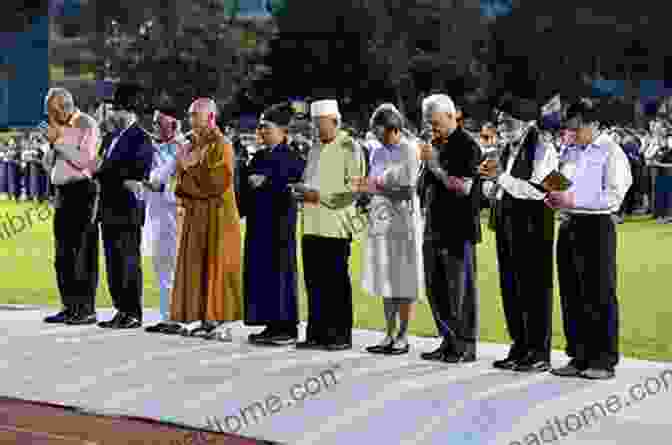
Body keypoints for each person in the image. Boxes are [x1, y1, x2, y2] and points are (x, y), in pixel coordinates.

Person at [545, 98, 632, 380]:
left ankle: (603, 359)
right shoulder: (570, 149)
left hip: (596, 225)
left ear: (593, 124)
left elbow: (614, 196)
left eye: (576, 128)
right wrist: (552, 193)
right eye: (568, 128)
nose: (571, 133)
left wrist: (572, 198)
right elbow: (559, 180)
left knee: (598, 293)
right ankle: (578, 355)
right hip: (569, 224)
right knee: (571, 292)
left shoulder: (610, 152)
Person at [480, 94, 558, 372]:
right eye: (499, 122)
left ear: (526, 122)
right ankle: (519, 346)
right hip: (507, 225)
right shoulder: (504, 149)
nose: (501, 127)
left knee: (534, 289)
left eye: (507, 122)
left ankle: (538, 353)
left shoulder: (543, 148)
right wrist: (490, 185)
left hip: (534, 228)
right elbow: (502, 186)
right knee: (510, 288)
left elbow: (539, 190)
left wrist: (500, 177)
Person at [292, 99, 365, 351]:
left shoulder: (349, 146)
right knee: (314, 282)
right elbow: (309, 180)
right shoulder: (313, 149)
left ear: (334, 121)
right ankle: (317, 334)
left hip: (337, 227)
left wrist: (317, 196)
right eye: (312, 124)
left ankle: (340, 336)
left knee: (336, 284)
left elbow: (354, 190)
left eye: (318, 124)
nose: (314, 129)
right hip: (311, 225)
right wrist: (300, 191)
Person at [352, 104, 424, 355]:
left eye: (381, 131)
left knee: (404, 279)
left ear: (394, 129)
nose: (378, 137)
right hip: (381, 220)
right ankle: (389, 332)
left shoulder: (409, 151)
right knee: (385, 277)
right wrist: (362, 192)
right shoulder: (377, 153)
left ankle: (403, 334)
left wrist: (375, 188)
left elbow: (408, 191)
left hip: (404, 222)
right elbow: (373, 184)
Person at [416, 94, 482, 363]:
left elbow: (464, 187)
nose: (433, 129)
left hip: (458, 228)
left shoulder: (467, 145)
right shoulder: (435, 143)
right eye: (429, 125)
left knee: (460, 290)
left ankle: (465, 345)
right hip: (433, 225)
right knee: (436, 287)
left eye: (435, 123)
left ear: (451, 115)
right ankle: (447, 340)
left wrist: (435, 166)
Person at [170, 98, 243, 341]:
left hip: (219, 217)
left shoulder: (222, 146)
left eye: (195, 116)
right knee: (197, 266)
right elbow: (179, 183)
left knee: (218, 266)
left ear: (211, 117)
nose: (190, 121)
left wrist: (188, 169)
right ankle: (203, 318)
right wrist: (186, 167)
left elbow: (215, 183)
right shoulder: (191, 147)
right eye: (189, 115)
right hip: (196, 216)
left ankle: (221, 322)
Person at [240, 103, 306, 345]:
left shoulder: (292, 157)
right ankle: (269, 323)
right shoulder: (258, 156)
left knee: (280, 273)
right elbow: (244, 186)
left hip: (279, 224)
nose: (262, 132)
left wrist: (267, 180)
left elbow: (294, 182)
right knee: (260, 273)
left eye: (266, 128)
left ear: (282, 131)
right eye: (260, 128)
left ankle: (286, 327)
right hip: (258, 224)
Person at [94, 83, 154, 329]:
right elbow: (100, 166)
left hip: (127, 209)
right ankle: (120, 309)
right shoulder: (110, 137)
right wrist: (107, 171)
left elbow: (135, 172)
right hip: (108, 206)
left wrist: (106, 171)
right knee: (112, 261)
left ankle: (132, 312)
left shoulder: (140, 138)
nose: (110, 116)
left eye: (115, 111)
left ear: (127, 112)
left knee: (127, 260)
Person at [41, 88, 100, 325]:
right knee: (62, 255)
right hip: (63, 194)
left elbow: (85, 160)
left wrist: (59, 142)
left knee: (81, 252)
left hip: (81, 192)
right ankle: (68, 305)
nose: (51, 116)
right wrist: (51, 148)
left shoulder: (85, 123)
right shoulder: (59, 127)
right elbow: (49, 163)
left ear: (65, 106)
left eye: (53, 111)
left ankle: (85, 308)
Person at [140, 106, 183, 333]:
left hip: (172, 215)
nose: (155, 127)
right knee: (161, 267)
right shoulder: (156, 148)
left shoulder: (182, 149)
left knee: (170, 267)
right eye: (154, 122)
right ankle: (168, 315)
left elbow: (182, 185)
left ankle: (174, 318)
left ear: (174, 125)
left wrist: (159, 187)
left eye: (160, 123)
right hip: (156, 213)